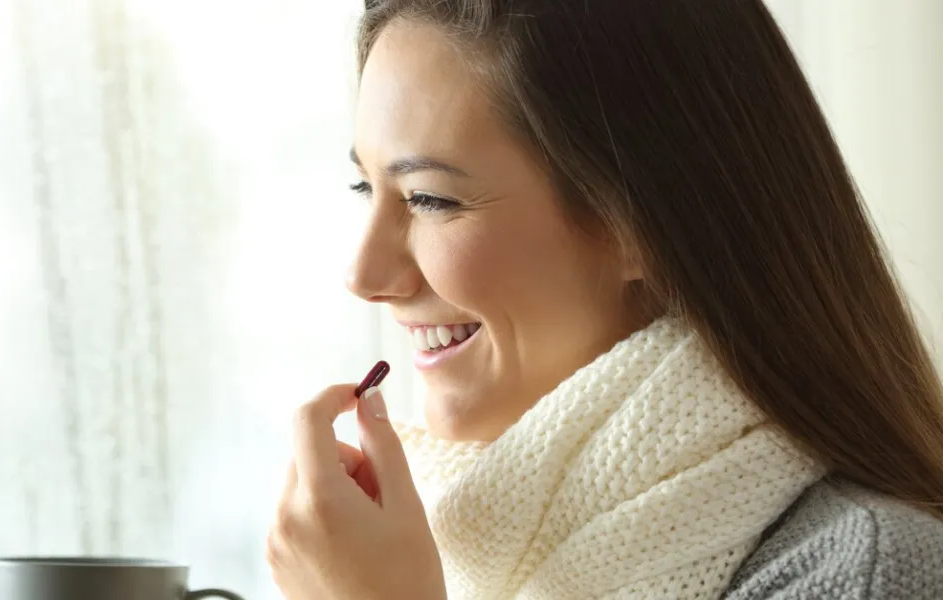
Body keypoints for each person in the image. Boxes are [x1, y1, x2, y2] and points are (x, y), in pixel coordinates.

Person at [264, 1, 943, 599]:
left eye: (430, 199)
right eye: (365, 189)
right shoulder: (457, 552)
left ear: (641, 223)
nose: (363, 274)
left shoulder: (868, 573)